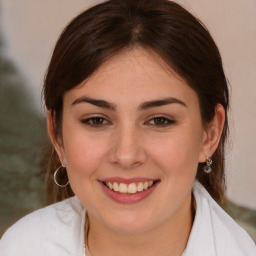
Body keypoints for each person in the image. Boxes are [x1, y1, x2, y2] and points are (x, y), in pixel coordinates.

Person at [1, 0, 255, 255]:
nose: (126, 155)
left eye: (160, 120)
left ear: (209, 135)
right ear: (57, 135)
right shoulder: (20, 246)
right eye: (96, 120)